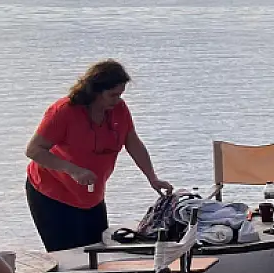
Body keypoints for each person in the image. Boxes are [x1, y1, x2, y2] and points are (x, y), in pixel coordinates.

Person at [24, 60, 172, 254]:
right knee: (67, 257)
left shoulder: (118, 109)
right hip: (52, 194)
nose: (117, 100)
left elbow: (133, 142)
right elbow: (33, 150)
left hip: (91, 195)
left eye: (120, 95)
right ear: (95, 91)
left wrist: (152, 177)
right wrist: (73, 169)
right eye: (112, 95)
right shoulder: (63, 111)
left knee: (97, 253)